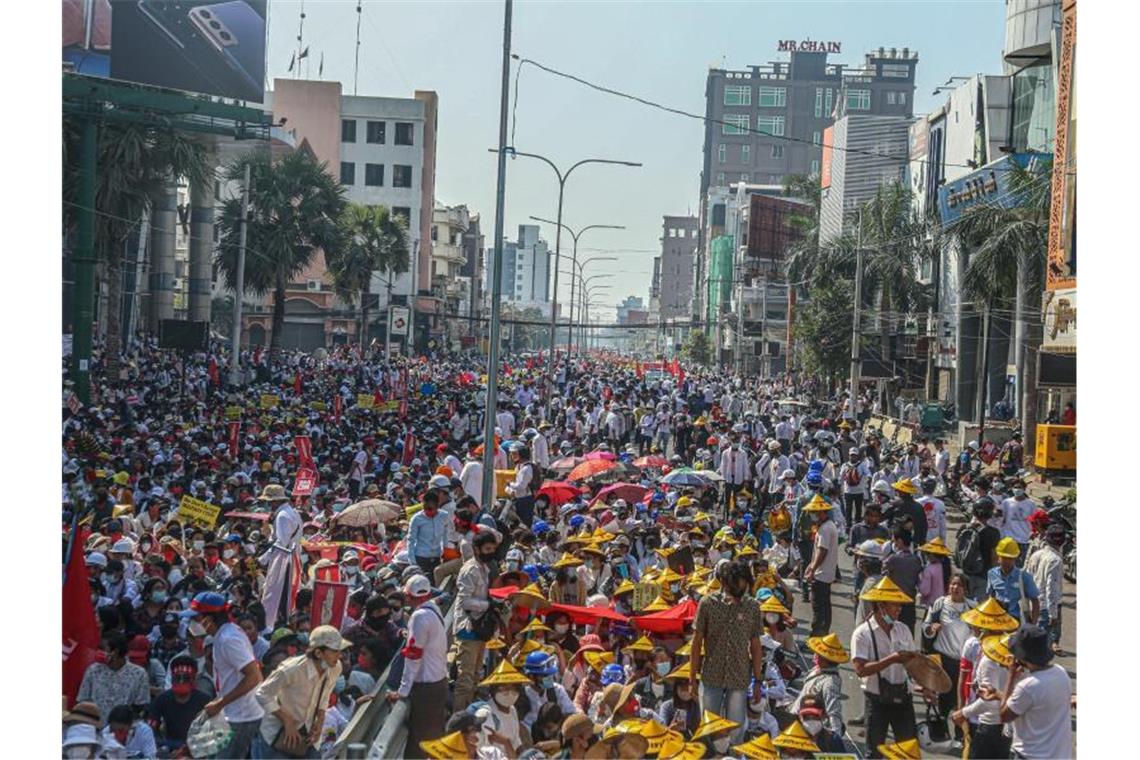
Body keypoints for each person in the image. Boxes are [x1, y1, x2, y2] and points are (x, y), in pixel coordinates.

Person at [182, 591, 264, 759]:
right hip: (232, 712)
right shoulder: (225, 634)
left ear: (209, 619)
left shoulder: (229, 639)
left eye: (195, 618)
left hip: (241, 716)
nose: (191, 623)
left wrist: (221, 702)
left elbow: (253, 676)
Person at [690, 559, 764, 744]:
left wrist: (758, 680)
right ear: (724, 582)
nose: (740, 592)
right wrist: (692, 678)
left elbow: (755, 645)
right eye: (735, 587)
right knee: (708, 726)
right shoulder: (707, 604)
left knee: (736, 727)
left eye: (744, 586)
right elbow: (696, 643)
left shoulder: (752, 607)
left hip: (739, 676)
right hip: (711, 675)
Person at [253, 625, 349, 759]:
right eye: (335, 651)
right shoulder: (291, 669)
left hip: (307, 737)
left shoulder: (335, 667)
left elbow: (325, 693)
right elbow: (262, 693)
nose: (340, 655)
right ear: (318, 653)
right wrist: (287, 721)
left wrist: (320, 720)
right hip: (277, 737)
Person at [976, 626, 1073, 759]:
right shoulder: (1061, 673)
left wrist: (1011, 677)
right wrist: (998, 694)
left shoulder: (1027, 687)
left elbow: (1004, 715)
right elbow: (1035, 704)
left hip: (1030, 755)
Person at [850, 577, 919, 759]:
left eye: (900, 606)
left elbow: (913, 663)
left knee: (909, 750)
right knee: (874, 752)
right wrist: (892, 659)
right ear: (881, 607)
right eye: (895, 606)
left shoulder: (903, 629)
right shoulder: (862, 634)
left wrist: (924, 685)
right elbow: (860, 669)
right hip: (876, 701)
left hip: (903, 697)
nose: (899, 610)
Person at [388, 575, 448, 759]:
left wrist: (403, 691)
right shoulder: (434, 609)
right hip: (438, 681)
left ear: (409, 597)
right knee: (432, 736)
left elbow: (413, 655)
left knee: (419, 741)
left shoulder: (420, 616)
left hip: (426, 687)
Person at [921, 571, 976, 745]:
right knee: (944, 699)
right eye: (952, 584)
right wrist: (931, 629)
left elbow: (980, 632)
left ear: (965, 589)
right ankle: (941, 734)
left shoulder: (973, 607)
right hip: (943, 660)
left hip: (963, 662)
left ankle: (961, 735)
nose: (955, 587)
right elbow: (926, 626)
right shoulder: (940, 603)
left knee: (962, 698)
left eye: (959, 585)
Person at [453, 530, 499, 711]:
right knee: (465, 680)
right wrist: (487, 605)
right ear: (477, 549)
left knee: (474, 677)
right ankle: (458, 721)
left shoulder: (485, 569)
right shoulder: (470, 570)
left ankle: (468, 717)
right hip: (468, 628)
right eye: (487, 549)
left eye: (493, 549)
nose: (491, 552)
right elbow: (464, 601)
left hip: (480, 628)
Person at [952, 633, 1013, 759]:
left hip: (989, 726)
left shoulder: (988, 661)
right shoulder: (1017, 661)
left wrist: (963, 712)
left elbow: (988, 701)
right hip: (1008, 727)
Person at [77, 632, 151, 727]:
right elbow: (83, 700)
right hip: (95, 728)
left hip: (123, 730)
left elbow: (140, 705)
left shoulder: (139, 674)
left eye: (103, 649)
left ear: (115, 651)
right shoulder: (93, 670)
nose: (99, 652)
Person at [259, 484, 303, 632]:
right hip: (292, 557)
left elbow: (281, 544)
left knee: (279, 596)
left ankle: (279, 625)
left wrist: (263, 559)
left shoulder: (282, 516)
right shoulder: (292, 512)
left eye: (269, 502)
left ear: (274, 501)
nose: (268, 505)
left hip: (284, 561)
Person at [148, 655, 212, 754]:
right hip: (170, 748)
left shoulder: (205, 701)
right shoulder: (162, 699)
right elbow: (151, 729)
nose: (181, 681)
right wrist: (163, 746)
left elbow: (217, 733)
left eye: (185, 678)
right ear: (173, 678)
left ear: (194, 678)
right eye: (178, 678)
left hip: (199, 750)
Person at [793, 633, 847, 736]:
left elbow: (834, 711)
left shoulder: (830, 683)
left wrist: (836, 737)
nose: (815, 655)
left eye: (819, 654)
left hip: (807, 724)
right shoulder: (817, 670)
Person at [1025, 524, 1066, 654]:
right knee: (1041, 646)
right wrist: (1053, 615)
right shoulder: (1055, 560)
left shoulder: (1036, 555)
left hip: (1033, 603)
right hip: (1045, 607)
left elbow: (1027, 576)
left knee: (1032, 640)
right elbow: (1051, 588)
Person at [801, 495, 838, 636]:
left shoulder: (825, 529)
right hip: (826, 573)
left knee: (818, 606)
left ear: (822, 512)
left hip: (821, 574)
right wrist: (811, 566)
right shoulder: (828, 526)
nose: (812, 515)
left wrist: (813, 570)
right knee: (825, 606)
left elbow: (822, 551)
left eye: (814, 512)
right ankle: (823, 632)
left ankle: (816, 635)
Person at [955, 498, 1001, 600]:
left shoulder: (965, 528)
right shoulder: (993, 532)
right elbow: (994, 558)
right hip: (983, 575)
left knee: (964, 606)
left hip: (965, 573)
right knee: (978, 609)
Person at [986, 538, 1040, 625]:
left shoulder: (1024, 577)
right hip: (997, 621)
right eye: (1004, 558)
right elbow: (990, 597)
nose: (1007, 561)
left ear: (1015, 558)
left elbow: (1035, 601)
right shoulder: (991, 574)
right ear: (998, 557)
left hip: (1018, 622)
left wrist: (1033, 625)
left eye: (1010, 558)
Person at [882, 527, 923, 634]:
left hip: (893, 602)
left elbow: (881, 571)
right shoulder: (916, 560)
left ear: (899, 541)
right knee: (908, 633)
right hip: (910, 602)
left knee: (890, 632)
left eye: (894, 541)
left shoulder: (893, 559)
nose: (893, 544)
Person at [407, 490, 448, 577]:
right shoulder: (417, 519)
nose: (426, 511)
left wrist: (445, 552)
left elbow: (445, 536)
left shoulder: (444, 516)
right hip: (421, 557)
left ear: (437, 506)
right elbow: (411, 540)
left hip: (437, 557)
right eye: (424, 508)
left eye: (429, 508)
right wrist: (412, 562)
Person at [506, 444, 538, 526]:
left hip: (525, 500)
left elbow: (521, 486)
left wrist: (510, 484)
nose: (512, 456)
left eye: (515, 454)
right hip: (519, 499)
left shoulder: (526, 469)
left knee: (524, 524)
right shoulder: (519, 466)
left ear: (521, 454)